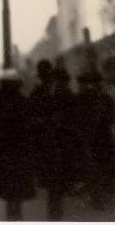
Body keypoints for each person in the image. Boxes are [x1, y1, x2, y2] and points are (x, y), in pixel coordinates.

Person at [0, 68, 36, 220]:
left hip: (5, 151)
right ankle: (17, 212)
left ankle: (11, 213)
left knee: (9, 184)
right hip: (20, 150)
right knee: (19, 183)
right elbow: (29, 126)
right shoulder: (22, 100)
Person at [39, 68, 81, 220]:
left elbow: (64, 123)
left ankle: (54, 218)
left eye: (55, 80)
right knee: (58, 189)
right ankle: (55, 217)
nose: (54, 84)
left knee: (55, 190)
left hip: (58, 149)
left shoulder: (57, 97)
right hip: (63, 149)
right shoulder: (67, 97)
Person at [76, 70, 115, 210]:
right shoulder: (106, 98)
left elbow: (79, 120)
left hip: (92, 138)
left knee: (95, 168)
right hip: (103, 137)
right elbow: (112, 118)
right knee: (102, 167)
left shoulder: (84, 98)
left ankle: (97, 198)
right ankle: (100, 198)